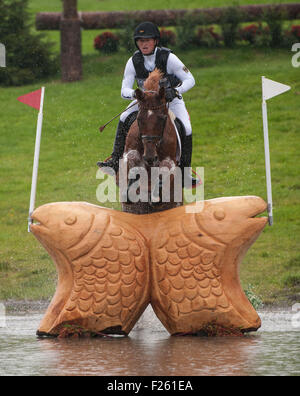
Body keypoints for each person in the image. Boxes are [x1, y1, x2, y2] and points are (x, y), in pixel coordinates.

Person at [98, 21, 198, 186]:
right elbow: (124, 90)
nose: (144, 44)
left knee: (186, 127)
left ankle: (184, 172)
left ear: (155, 41)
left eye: (147, 40)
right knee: (123, 117)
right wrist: (136, 95)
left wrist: (176, 91)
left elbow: (190, 79)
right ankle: (115, 161)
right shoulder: (133, 61)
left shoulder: (168, 58)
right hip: (145, 102)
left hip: (169, 101)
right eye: (140, 41)